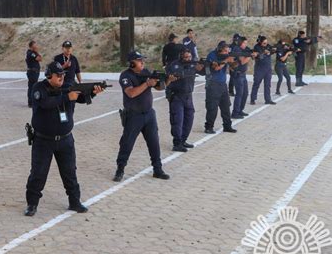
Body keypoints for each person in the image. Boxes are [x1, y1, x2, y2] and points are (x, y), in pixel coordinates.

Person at [24, 61, 103, 217]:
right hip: (43, 140)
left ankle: (74, 202)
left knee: (70, 173)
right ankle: (32, 204)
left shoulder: (68, 85)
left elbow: (80, 98)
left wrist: (93, 92)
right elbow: (46, 103)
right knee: (38, 174)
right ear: (49, 75)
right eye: (58, 75)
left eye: (62, 75)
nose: (61, 77)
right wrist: (67, 97)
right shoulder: (39, 88)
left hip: (66, 139)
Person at [113, 51, 170, 182]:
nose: (142, 63)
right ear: (132, 63)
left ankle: (158, 169)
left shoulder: (146, 72)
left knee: (154, 143)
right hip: (133, 116)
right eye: (139, 61)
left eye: (142, 60)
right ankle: (120, 169)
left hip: (149, 114)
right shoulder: (125, 76)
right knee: (127, 144)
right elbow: (131, 93)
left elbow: (159, 88)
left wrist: (168, 81)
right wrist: (147, 84)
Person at [165, 47, 204, 151]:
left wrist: (202, 67)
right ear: (181, 56)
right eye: (186, 57)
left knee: (189, 119)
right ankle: (177, 143)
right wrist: (193, 69)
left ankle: (183, 140)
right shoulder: (174, 65)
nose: (188, 59)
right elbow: (177, 74)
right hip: (176, 96)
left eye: (190, 57)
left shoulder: (192, 64)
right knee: (178, 120)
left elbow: (204, 72)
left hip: (188, 96)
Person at [203, 41, 237, 134]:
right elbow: (216, 68)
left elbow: (233, 67)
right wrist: (226, 60)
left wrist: (234, 61)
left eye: (228, 51)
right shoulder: (212, 55)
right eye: (225, 51)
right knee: (212, 108)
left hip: (222, 84)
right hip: (212, 84)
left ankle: (227, 126)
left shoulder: (225, 56)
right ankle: (209, 127)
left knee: (226, 107)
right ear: (219, 50)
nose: (227, 53)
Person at [230, 36, 255, 119]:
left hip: (243, 75)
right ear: (240, 43)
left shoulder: (245, 49)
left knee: (245, 93)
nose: (246, 44)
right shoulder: (237, 49)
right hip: (238, 74)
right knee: (239, 94)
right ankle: (235, 112)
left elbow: (251, 53)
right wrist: (250, 56)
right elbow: (243, 61)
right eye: (244, 43)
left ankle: (240, 110)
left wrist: (253, 54)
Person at [250, 36, 276, 105]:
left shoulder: (268, 46)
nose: (266, 44)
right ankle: (253, 99)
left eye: (266, 42)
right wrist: (264, 52)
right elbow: (257, 55)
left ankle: (268, 99)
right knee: (256, 84)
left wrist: (272, 50)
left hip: (268, 69)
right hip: (259, 69)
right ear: (260, 42)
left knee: (267, 85)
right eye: (264, 43)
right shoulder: (257, 47)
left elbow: (272, 50)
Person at [26, 40, 42, 107]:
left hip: (34, 72)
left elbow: (40, 59)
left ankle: (32, 102)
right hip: (32, 72)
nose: (36, 46)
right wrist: (37, 52)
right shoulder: (31, 53)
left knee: (32, 87)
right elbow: (39, 58)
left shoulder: (33, 52)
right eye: (35, 45)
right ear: (32, 46)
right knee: (32, 87)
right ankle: (31, 102)